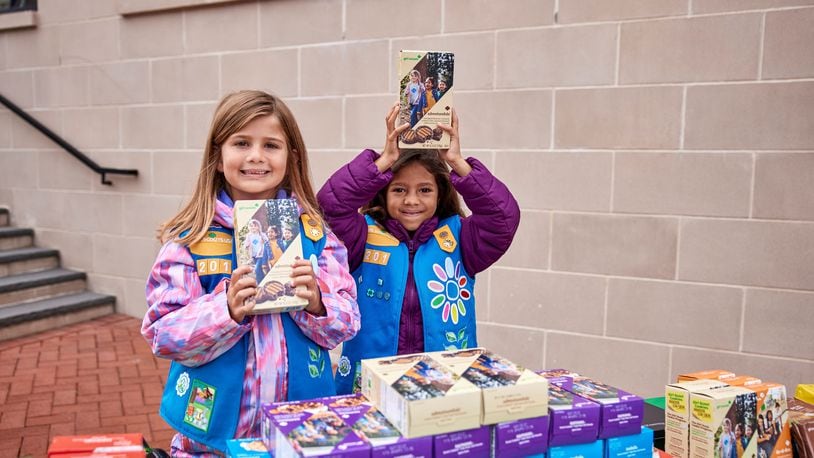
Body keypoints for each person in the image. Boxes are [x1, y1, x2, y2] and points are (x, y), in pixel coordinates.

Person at [142, 90, 360, 456]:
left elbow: (348, 323)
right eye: (241, 142)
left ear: (290, 159)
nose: (256, 156)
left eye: (270, 145)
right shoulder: (189, 241)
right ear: (218, 155)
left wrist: (317, 303)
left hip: (298, 431)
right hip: (212, 438)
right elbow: (162, 334)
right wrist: (225, 310)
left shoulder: (317, 237)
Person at [318, 103, 520, 394]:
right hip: (370, 385)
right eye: (399, 190)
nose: (412, 200)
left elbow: (504, 217)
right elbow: (329, 206)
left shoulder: (462, 239)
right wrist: (383, 161)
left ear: (440, 193)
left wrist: (457, 162)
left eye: (424, 190)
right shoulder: (362, 236)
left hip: (443, 382)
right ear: (383, 193)